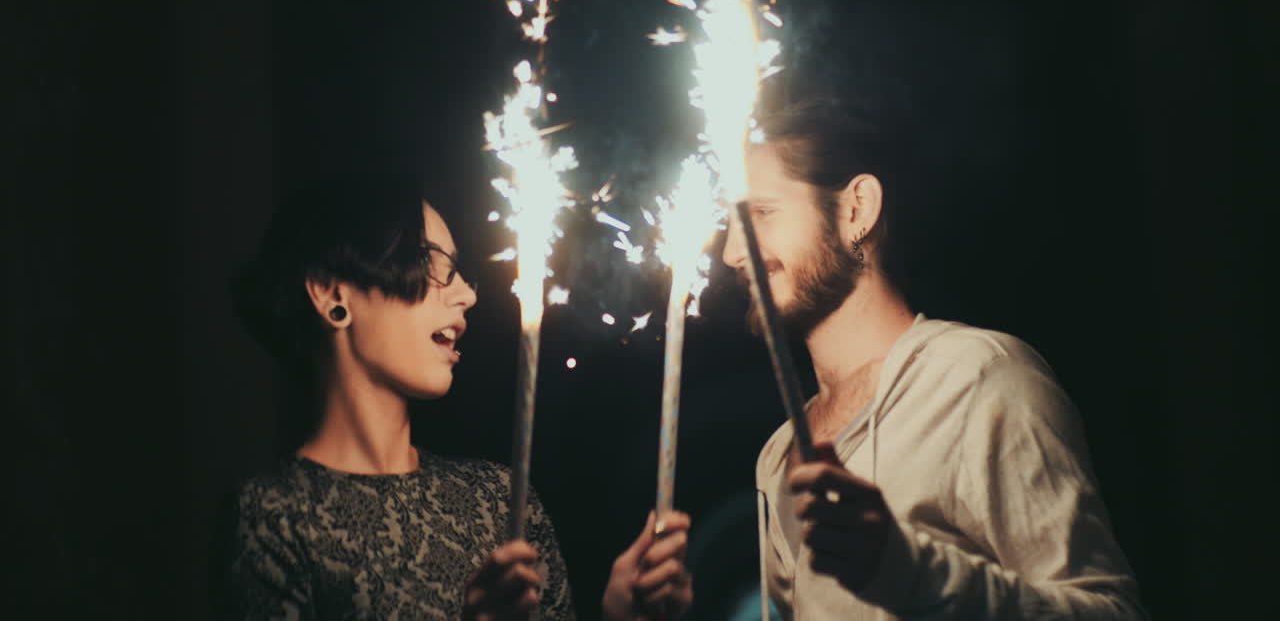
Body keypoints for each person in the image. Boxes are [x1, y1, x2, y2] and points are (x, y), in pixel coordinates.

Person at [720, 98, 1146, 619]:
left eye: (760, 213)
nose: (732, 254)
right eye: (729, 225)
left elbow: (1113, 612)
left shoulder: (978, 379)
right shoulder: (778, 454)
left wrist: (905, 570)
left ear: (856, 209)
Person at [214, 174, 693, 620]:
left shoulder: (502, 500)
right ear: (331, 294)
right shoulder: (272, 515)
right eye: (428, 263)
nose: (466, 295)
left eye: (459, 271)